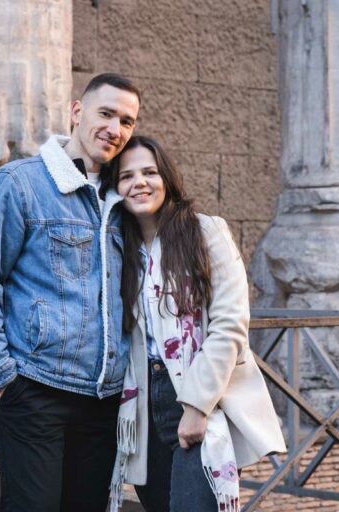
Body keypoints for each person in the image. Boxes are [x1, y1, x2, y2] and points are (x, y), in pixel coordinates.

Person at [0, 73, 141, 512]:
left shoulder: (126, 198)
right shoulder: (19, 184)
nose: (115, 129)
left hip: (103, 400)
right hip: (34, 390)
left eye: (127, 121)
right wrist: (2, 378)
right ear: (77, 112)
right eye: (106, 113)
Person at [106, 136, 286, 512]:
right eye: (127, 176)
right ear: (115, 187)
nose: (139, 182)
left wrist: (197, 406)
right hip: (140, 405)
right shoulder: (119, 247)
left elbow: (231, 324)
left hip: (194, 394)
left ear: (167, 178)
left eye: (149, 172)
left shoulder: (206, 232)